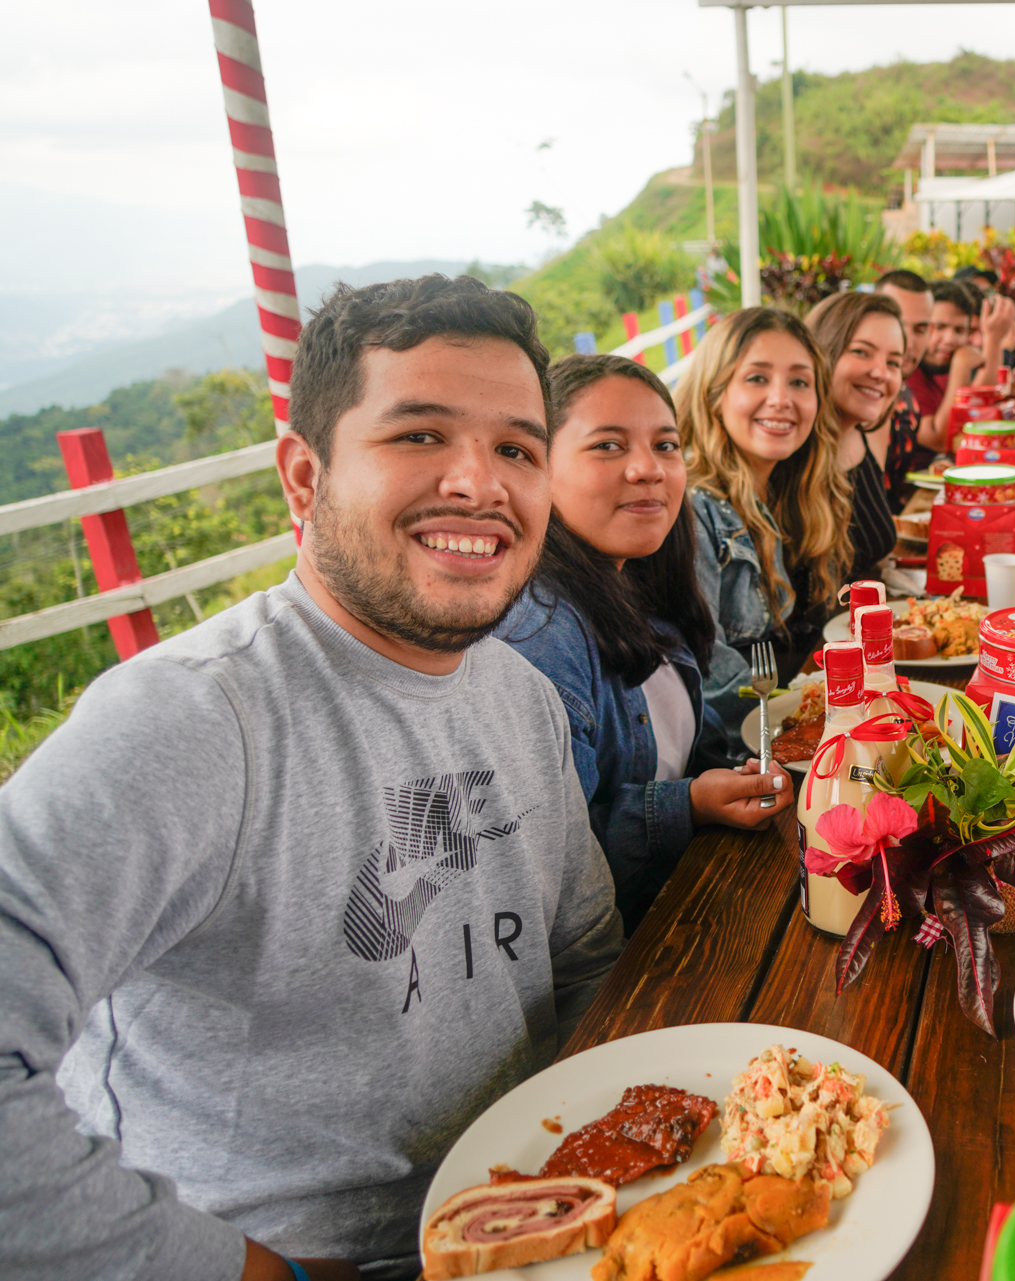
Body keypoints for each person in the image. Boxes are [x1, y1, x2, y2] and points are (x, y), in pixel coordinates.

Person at [0, 275, 624, 1281]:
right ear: (304, 477)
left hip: (534, 1227)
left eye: (516, 447)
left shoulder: (519, 695)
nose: (478, 482)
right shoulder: (193, 720)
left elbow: (587, 956)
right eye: (419, 435)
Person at [496, 354, 790, 933]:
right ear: (539, 466)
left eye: (666, 445)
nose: (648, 469)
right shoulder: (540, 634)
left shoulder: (636, 581)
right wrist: (687, 806)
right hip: (629, 953)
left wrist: (728, 776)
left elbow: (680, 746)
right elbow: (549, 867)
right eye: (609, 445)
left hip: (688, 893)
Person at [682, 308, 851, 755]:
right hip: (742, 755)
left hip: (799, 726)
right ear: (714, 393)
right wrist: (809, 727)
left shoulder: (798, 489)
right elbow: (709, 676)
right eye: (756, 378)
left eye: (799, 382)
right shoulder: (692, 505)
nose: (781, 399)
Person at [808, 291, 909, 582]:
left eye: (894, 362)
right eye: (861, 352)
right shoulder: (790, 453)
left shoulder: (864, 431)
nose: (881, 373)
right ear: (824, 352)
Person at [876, 269, 935, 504]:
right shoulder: (849, 403)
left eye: (920, 329)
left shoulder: (907, 402)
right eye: (898, 325)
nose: (908, 342)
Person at [905, 279, 983, 452]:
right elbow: (939, 441)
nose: (950, 339)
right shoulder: (909, 370)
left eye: (960, 330)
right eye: (939, 327)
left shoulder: (945, 368)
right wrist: (961, 366)